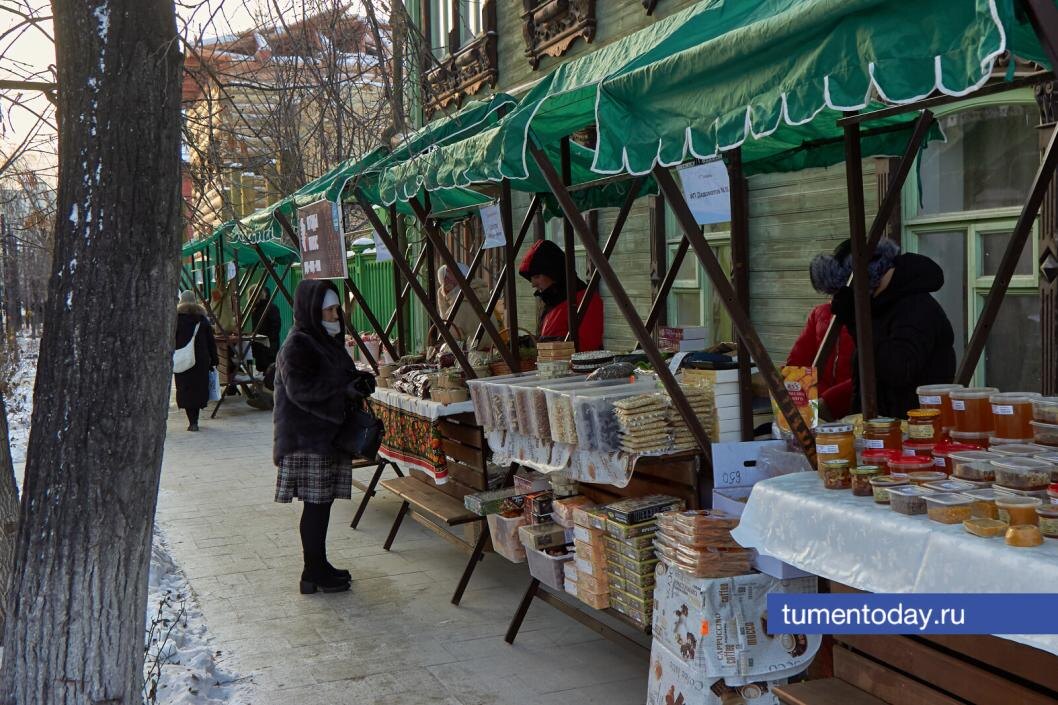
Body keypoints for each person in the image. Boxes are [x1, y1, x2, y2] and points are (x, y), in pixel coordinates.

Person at [273, 280, 376, 595]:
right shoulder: (298, 343)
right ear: (312, 311)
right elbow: (300, 390)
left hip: (324, 437)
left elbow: (332, 377)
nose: (335, 315)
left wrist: (356, 381)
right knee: (316, 506)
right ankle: (312, 571)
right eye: (328, 310)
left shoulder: (324, 339)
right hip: (306, 439)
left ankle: (318, 565)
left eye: (336, 309)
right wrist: (342, 390)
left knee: (322, 504)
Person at [811, 238, 956, 419]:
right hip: (880, 428)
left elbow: (899, 369)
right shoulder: (882, 307)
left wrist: (857, 321)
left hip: (915, 428)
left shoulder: (916, 308)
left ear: (869, 278)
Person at [787, 252, 858, 420]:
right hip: (818, 407)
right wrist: (798, 407)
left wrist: (828, 401)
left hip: (855, 407)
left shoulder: (868, 316)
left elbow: (867, 374)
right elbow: (798, 362)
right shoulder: (820, 314)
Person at [518, 240, 603, 351]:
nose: (533, 284)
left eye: (537, 276)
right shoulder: (552, 300)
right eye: (531, 278)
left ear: (553, 273)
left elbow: (586, 347)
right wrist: (531, 342)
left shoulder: (585, 300)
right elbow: (554, 334)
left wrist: (541, 343)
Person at [174, 290, 219, 432]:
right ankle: (195, 420)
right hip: (201, 360)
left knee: (185, 388)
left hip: (182, 360)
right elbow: (211, 342)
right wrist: (214, 360)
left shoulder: (176, 320)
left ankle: (191, 421)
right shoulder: (202, 319)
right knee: (198, 389)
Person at [436, 262, 495, 350]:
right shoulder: (482, 296)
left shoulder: (458, 307)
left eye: (447, 278)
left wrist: (442, 302)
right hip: (494, 352)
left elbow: (449, 339)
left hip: (473, 356)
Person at [250, 286, 282, 373]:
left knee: (268, 371)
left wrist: (269, 341)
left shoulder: (267, 308)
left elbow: (275, 327)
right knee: (266, 371)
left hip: (267, 346)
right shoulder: (256, 309)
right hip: (264, 345)